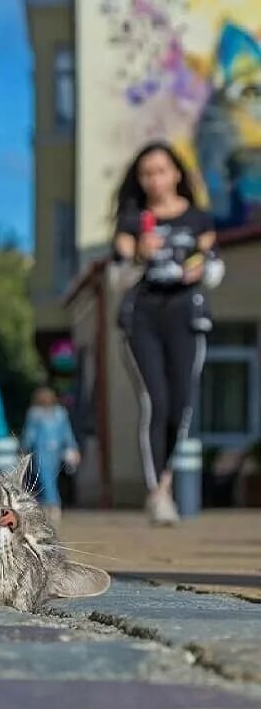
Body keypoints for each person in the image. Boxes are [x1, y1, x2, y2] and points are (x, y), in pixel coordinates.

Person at [111, 141, 224, 525]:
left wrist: (202, 269)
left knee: (182, 405)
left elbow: (212, 266)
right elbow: (117, 276)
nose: (155, 180)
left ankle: (168, 478)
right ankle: (158, 492)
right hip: (143, 318)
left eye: (161, 171)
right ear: (140, 180)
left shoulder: (199, 219)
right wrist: (141, 253)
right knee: (155, 401)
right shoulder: (132, 220)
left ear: (176, 173)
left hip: (185, 317)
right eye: (146, 173)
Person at [21, 387, 80, 527]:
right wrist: (73, 447)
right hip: (56, 451)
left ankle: (53, 505)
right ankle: (51, 505)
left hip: (41, 450)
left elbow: (30, 435)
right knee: (51, 478)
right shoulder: (60, 413)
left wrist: (23, 448)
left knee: (45, 478)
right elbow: (67, 433)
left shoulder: (35, 413)